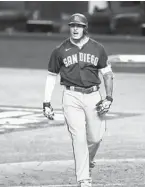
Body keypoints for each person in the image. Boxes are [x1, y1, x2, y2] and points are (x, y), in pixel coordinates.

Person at [43, 13, 114, 187]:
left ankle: (88, 161)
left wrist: (109, 98)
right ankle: (84, 179)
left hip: (94, 96)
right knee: (79, 137)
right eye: (72, 26)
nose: (75, 29)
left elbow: (107, 74)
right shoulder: (60, 50)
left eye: (79, 26)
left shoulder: (98, 48)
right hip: (71, 96)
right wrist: (46, 102)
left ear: (84, 28)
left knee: (96, 138)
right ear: (70, 28)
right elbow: (51, 77)